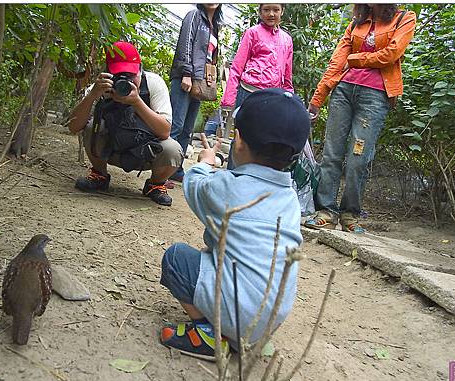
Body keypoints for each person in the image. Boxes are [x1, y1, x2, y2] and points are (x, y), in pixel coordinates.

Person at [158, 89, 310, 360]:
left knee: (176, 259)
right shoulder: (290, 200)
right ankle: (241, 334)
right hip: (269, 319)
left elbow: (194, 186)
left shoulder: (227, 188)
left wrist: (205, 163)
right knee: (217, 255)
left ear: (238, 142)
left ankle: (209, 334)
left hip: (240, 311)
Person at [305, 4, 416, 233]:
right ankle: (326, 211)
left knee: (359, 156)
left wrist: (356, 59)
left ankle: (350, 214)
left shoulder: (403, 18)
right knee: (331, 153)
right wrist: (318, 97)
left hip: (375, 96)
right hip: (343, 91)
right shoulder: (356, 22)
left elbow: (392, 53)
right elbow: (337, 63)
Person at [67, 41, 183, 206]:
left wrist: (137, 102)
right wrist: (93, 95)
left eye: (131, 76)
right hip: (111, 148)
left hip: (145, 151)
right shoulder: (101, 87)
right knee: (91, 126)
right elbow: (73, 127)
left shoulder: (153, 83)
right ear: (108, 73)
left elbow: (165, 132)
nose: (126, 81)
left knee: (173, 149)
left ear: (140, 69)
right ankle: (99, 175)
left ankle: (155, 184)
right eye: (119, 75)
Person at [220, 4, 294, 170]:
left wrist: (290, 99)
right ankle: (232, 178)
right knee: (241, 138)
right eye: (266, 10)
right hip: (248, 93)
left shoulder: (287, 40)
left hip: (272, 97)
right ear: (260, 12)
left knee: (265, 141)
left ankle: (251, 183)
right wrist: (229, 99)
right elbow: (237, 67)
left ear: (282, 11)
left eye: (275, 10)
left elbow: (287, 74)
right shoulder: (252, 33)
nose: (271, 14)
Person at [168, 4, 223, 183]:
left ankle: (176, 168)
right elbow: (185, 44)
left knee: (187, 128)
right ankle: (162, 169)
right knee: (175, 125)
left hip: (199, 81)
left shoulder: (215, 24)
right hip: (186, 78)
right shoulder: (194, 16)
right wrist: (186, 73)